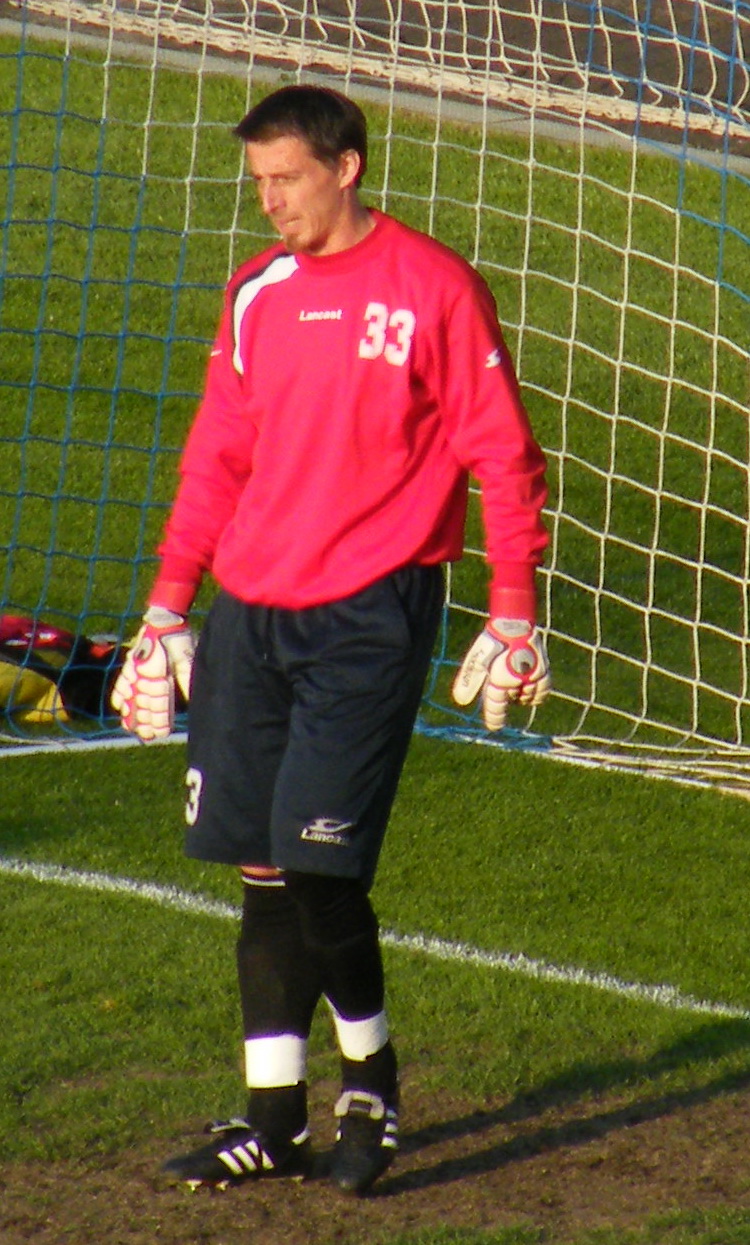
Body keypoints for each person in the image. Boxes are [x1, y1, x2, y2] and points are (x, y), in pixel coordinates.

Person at [111, 83, 551, 1197]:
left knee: (318, 863)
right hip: (252, 614)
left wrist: (513, 608)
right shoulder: (256, 292)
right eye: (258, 182)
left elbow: (502, 454)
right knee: (261, 869)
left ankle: (372, 1084)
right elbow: (218, 456)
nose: (271, 204)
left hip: (370, 615)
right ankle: (270, 1118)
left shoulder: (432, 288)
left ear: (347, 167)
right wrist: (170, 606)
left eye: (288, 179)